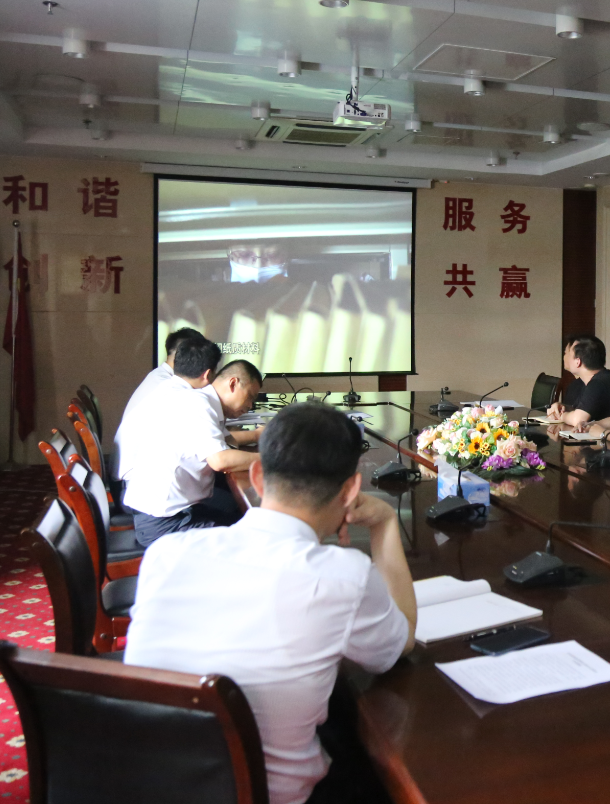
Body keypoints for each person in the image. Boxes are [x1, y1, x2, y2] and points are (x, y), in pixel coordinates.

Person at [124, 402, 416, 804]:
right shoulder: (343, 575)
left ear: (257, 476)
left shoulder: (165, 553)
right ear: (352, 489)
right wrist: (384, 524)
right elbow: (399, 645)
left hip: (149, 784)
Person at [120, 339, 263, 546]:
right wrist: (271, 458)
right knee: (250, 541)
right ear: (233, 384)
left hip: (165, 513)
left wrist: (258, 437)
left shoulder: (195, 398)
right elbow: (220, 460)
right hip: (165, 524)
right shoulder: (197, 403)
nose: (250, 405)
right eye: (250, 397)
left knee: (242, 518)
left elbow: (227, 440)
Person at [114, 327, 206, 480]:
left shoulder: (160, 377)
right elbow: (200, 438)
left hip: (134, 471)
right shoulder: (169, 386)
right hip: (136, 479)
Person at [547, 334, 610, 430]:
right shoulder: (582, 383)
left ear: (578, 361)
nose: (564, 357)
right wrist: (561, 407)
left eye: (566, 353)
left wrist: (561, 416)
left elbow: (578, 420)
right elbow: (581, 408)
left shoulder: (599, 383)